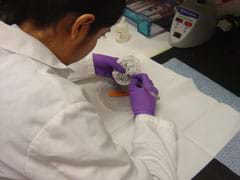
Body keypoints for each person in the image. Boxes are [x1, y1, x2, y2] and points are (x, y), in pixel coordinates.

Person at [0, 0, 177, 180]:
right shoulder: (58, 113)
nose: (98, 41)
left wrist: (89, 66)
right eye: (101, 36)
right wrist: (147, 119)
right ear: (80, 26)